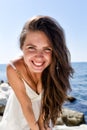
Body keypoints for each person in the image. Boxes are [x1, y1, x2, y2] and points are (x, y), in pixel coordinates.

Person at [0, 15, 74, 130]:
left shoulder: (54, 70)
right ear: (22, 47)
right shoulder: (13, 68)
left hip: (43, 118)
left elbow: (45, 110)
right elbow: (26, 105)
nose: (39, 57)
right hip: (16, 121)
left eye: (47, 49)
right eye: (31, 48)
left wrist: (42, 125)